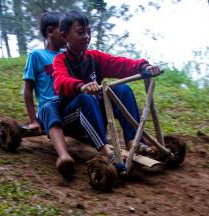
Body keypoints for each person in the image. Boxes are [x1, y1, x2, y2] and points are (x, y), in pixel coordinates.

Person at [53, 10, 162, 172]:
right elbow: (60, 81)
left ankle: (133, 140)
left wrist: (143, 67)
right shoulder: (60, 60)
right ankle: (105, 150)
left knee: (122, 89)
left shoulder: (94, 57)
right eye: (80, 32)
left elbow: (119, 64)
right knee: (86, 98)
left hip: (94, 112)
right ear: (65, 36)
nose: (86, 36)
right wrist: (81, 86)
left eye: (89, 32)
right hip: (71, 118)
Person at [23, 11, 76, 179]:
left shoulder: (67, 56)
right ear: (50, 31)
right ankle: (63, 156)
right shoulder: (37, 56)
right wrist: (33, 120)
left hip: (66, 105)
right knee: (50, 107)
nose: (66, 35)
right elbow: (28, 90)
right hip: (48, 107)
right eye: (63, 30)